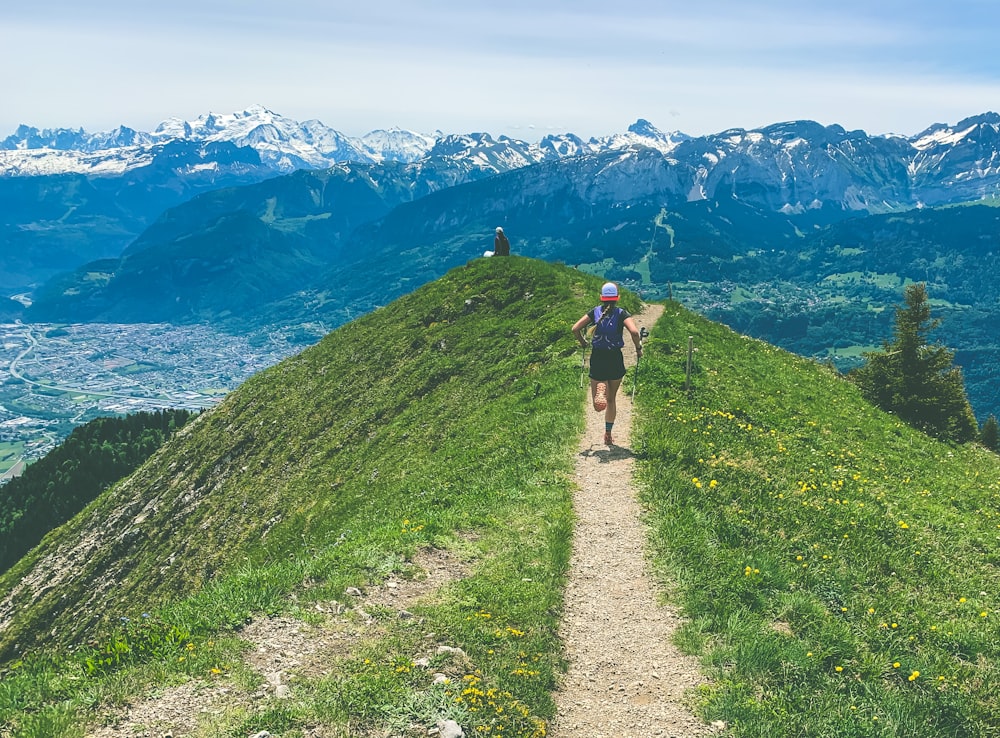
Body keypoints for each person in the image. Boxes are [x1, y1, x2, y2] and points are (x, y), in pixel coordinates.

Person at [571, 282, 643, 445]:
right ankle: (608, 434)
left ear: (602, 298)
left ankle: (600, 391)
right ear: (617, 297)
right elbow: (634, 332)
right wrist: (638, 348)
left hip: (598, 358)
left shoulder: (594, 312)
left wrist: (583, 342)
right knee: (611, 400)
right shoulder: (622, 313)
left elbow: (575, 328)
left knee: (598, 406)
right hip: (615, 358)